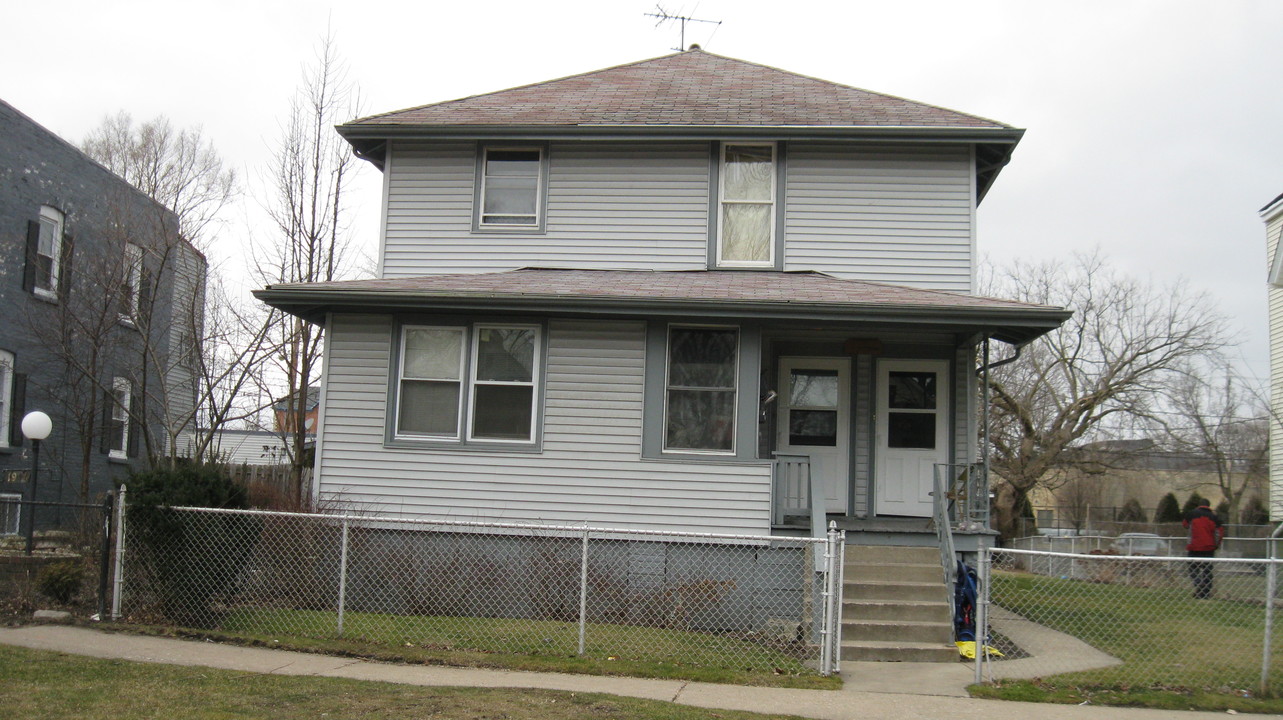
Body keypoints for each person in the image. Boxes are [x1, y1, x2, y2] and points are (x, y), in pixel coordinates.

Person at [1182, 502, 1225, 599]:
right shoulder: (1214, 517)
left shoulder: (1191, 514)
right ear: (1209, 506)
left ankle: (1199, 584)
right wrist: (1216, 545)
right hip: (1209, 548)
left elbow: (1185, 525)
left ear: (1199, 505)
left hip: (1194, 547)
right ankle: (1205, 593)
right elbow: (1220, 533)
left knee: (1193, 568)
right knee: (1207, 571)